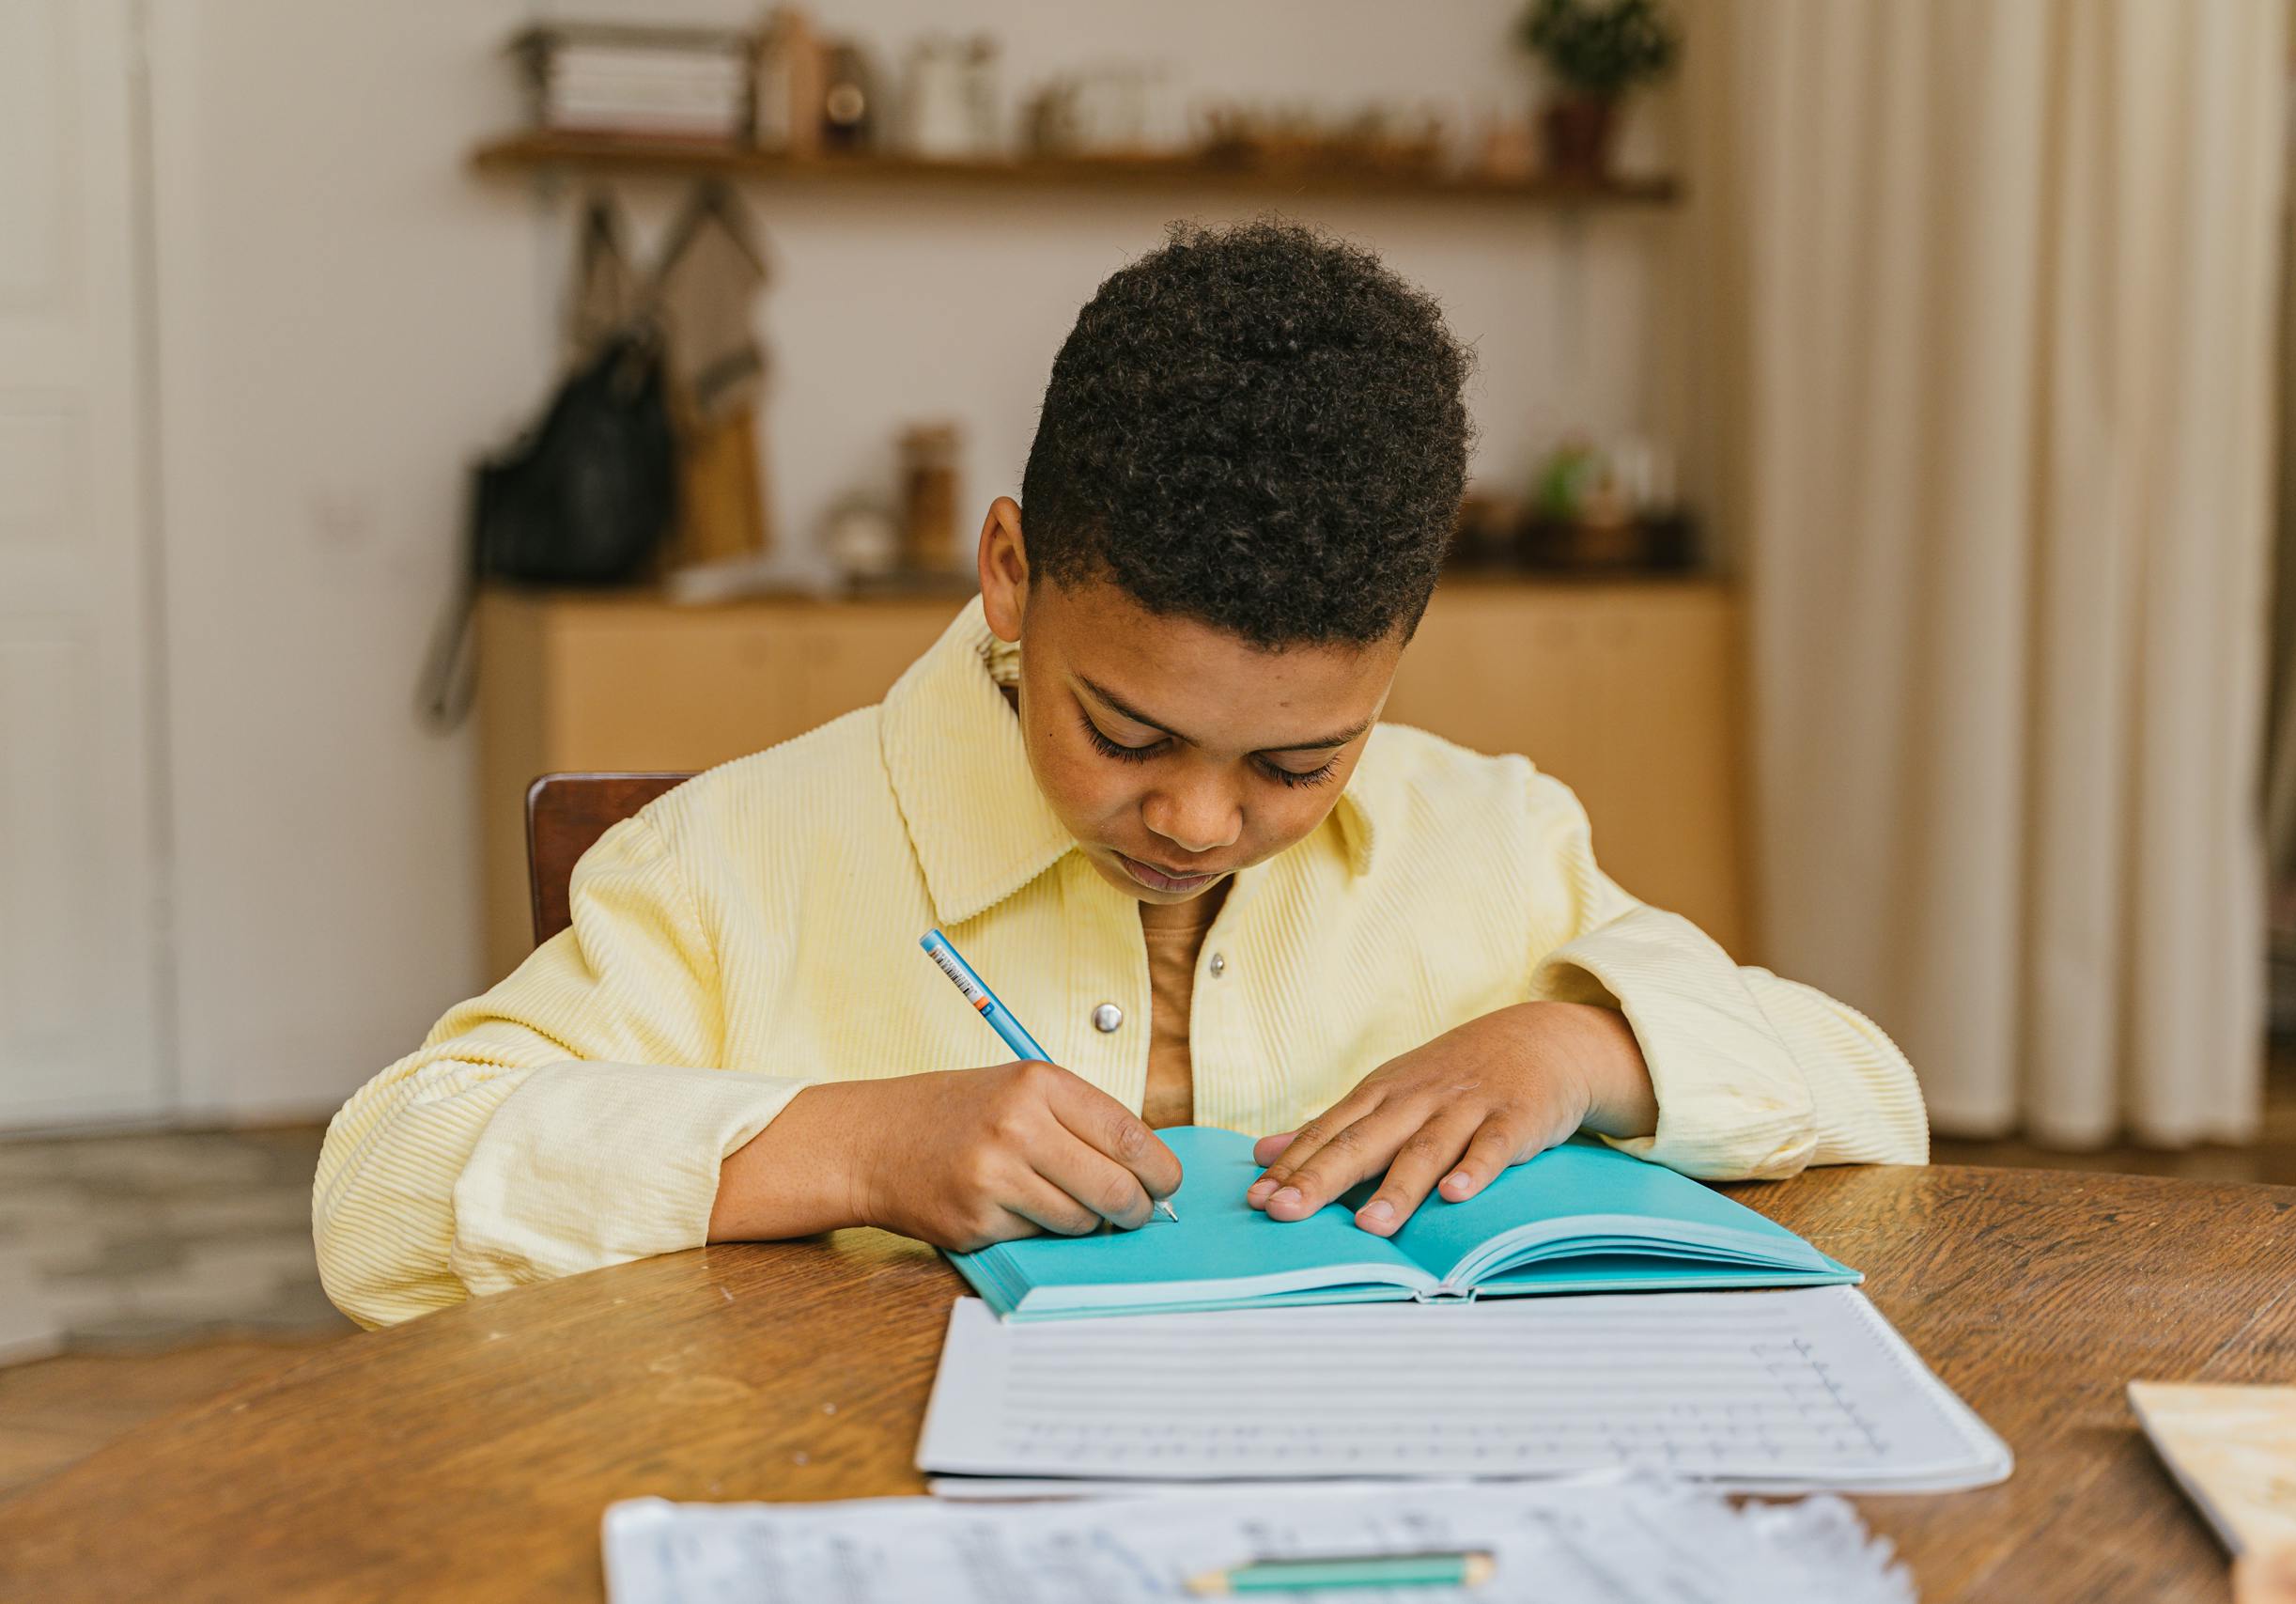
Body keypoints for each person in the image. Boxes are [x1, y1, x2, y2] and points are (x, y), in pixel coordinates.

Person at [314, 221, 1926, 1329]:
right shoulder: (731, 859)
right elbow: (381, 1194)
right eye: (1127, 733)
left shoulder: (1495, 843)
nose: (1201, 820)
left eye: (1300, 759)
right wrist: (848, 1148)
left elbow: (1878, 1101)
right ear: (1009, 573)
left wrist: (1586, 1048)